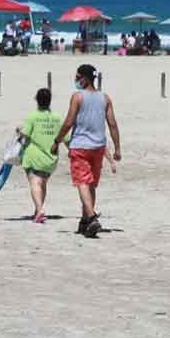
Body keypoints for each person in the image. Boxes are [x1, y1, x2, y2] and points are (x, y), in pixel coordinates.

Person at [52, 64, 121, 237]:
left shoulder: (77, 97)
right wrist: (117, 148)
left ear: (85, 78)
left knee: (82, 182)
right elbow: (112, 124)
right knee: (90, 184)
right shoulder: (105, 98)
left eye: (78, 77)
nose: (76, 80)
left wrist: (57, 141)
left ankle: (91, 216)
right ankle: (84, 221)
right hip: (98, 147)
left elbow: (68, 122)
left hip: (80, 145)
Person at [20, 88, 65, 224]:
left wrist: (18, 131)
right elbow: (66, 137)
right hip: (50, 158)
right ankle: (37, 210)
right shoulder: (57, 118)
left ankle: (39, 211)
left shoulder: (32, 116)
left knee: (35, 182)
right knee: (42, 183)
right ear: (50, 101)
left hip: (34, 156)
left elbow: (25, 134)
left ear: (37, 100)